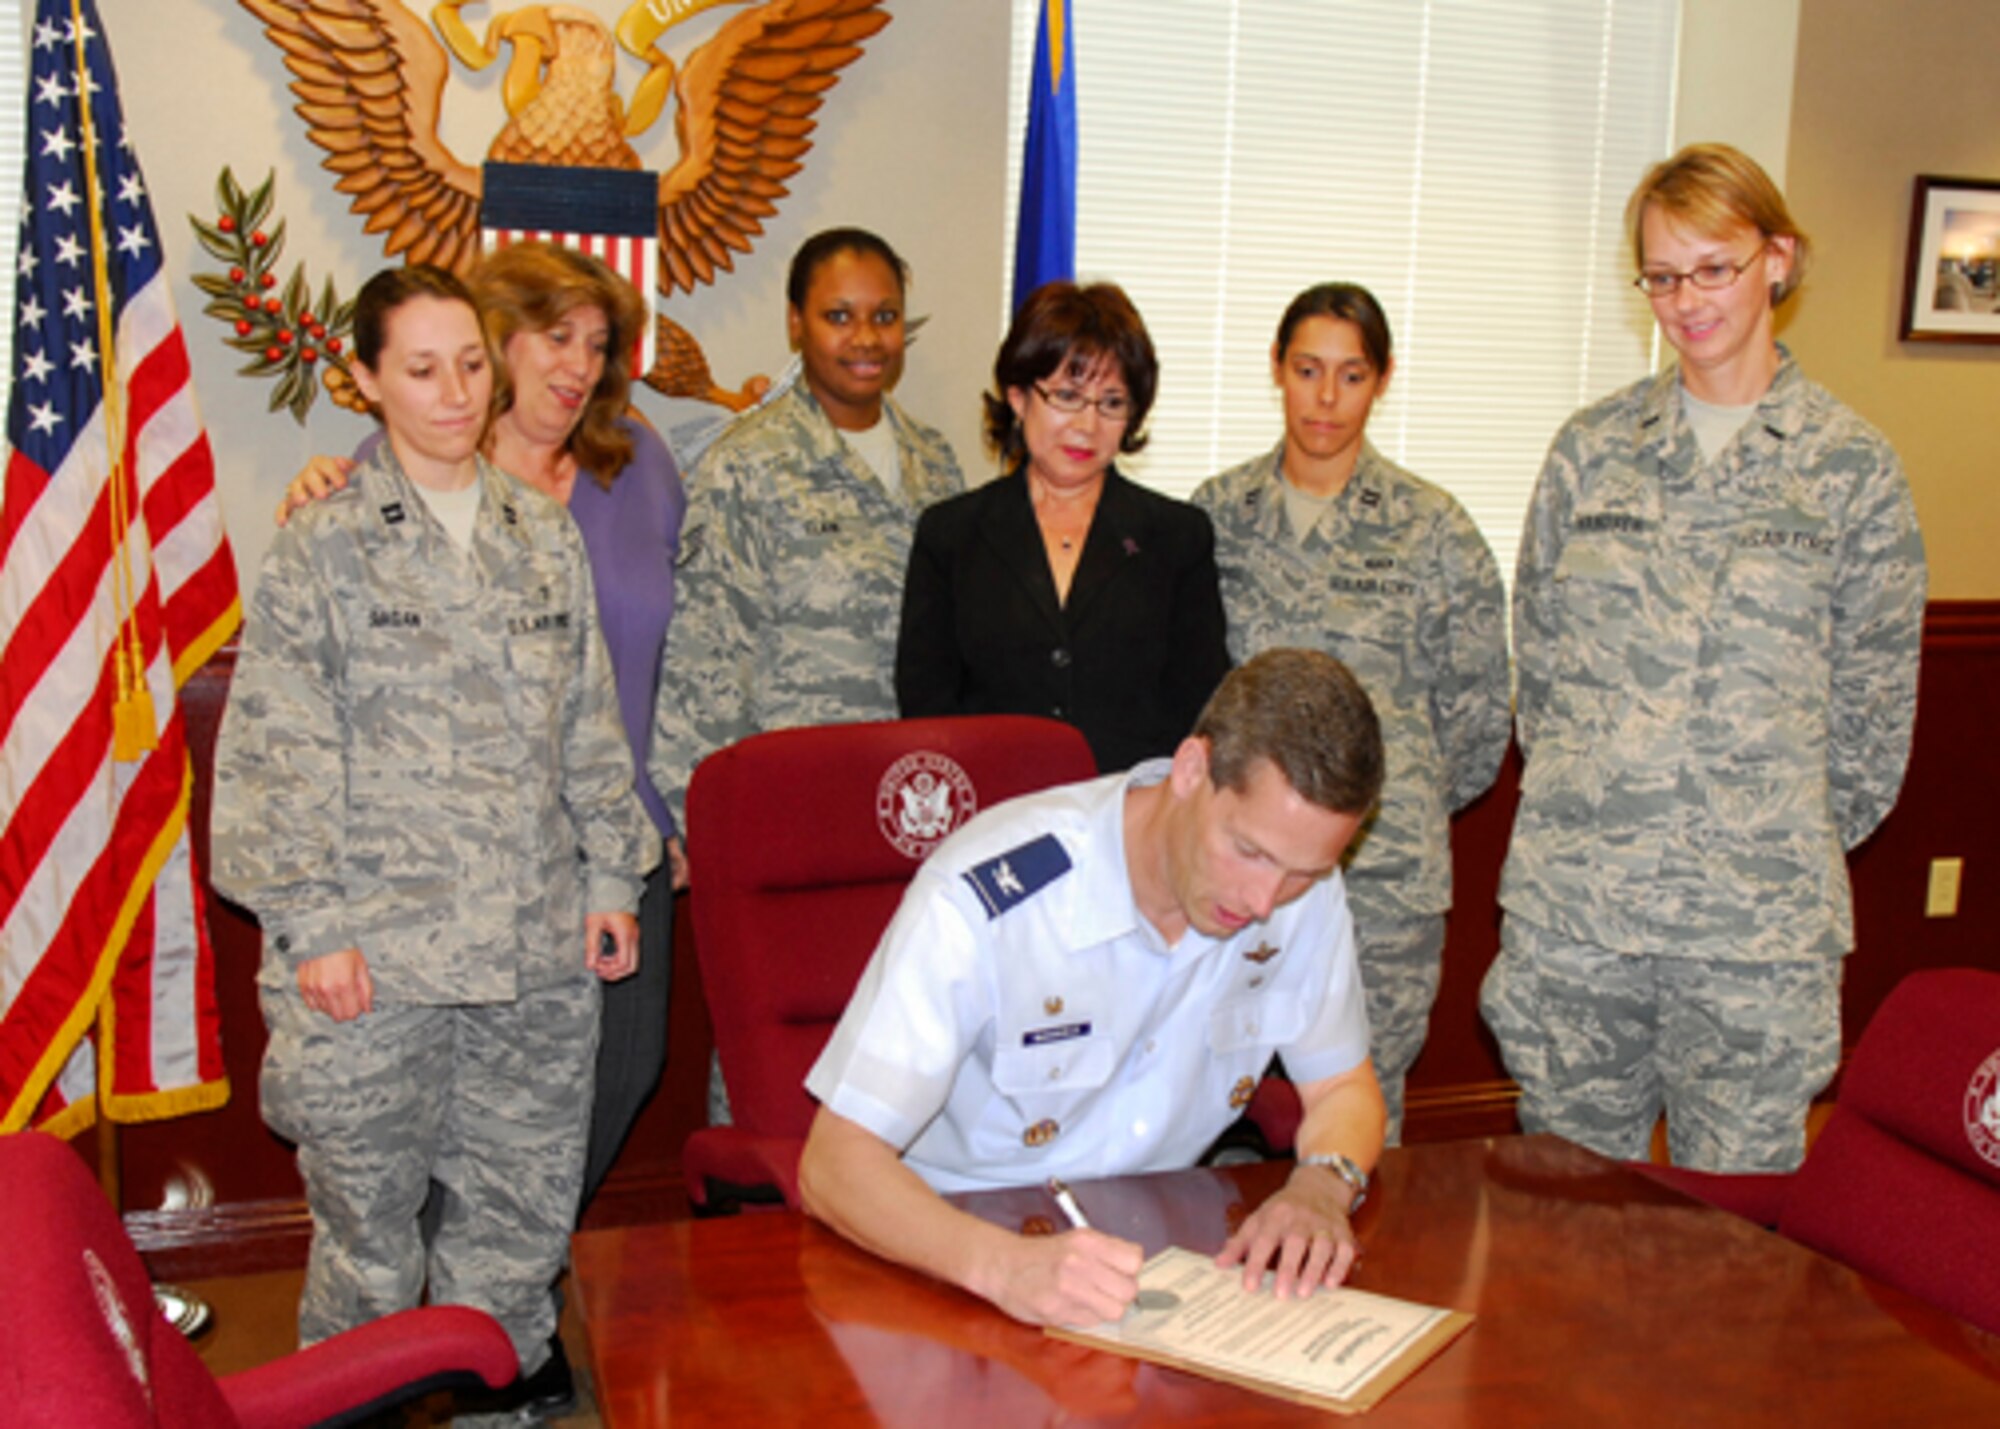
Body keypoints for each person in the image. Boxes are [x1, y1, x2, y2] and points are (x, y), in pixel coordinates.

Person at [212, 267, 655, 1400]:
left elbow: (587, 727)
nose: (453, 392)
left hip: (531, 955)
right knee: (367, 1240)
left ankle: (493, 1406)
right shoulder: (325, 546)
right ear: (365, 381)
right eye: (419, 368)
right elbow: (280, 752)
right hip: (377, 965)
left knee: (513, 1231)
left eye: (469, 362)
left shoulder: (542, 538)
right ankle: (351, 1407)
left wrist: (612, 876)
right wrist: (312, 928)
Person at [1486, 142, 1927, 1173]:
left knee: (1732, 1254)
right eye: (1659, 275)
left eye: (1712, 268)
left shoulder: (1848, 470)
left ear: (1775, 258)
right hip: (1577, 922)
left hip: (1753, 942)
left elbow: (1870, 722)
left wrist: (1757, 844)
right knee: (1561, 1224)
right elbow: (1538, 677)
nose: (1684, 301)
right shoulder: (1587, 452)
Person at [277, 243, 686, 1235]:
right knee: (457, 1100)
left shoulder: (635, 462)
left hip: (604, 846)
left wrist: (671, 808)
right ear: (491, 343)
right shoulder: (384, 473)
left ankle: (507, 1278)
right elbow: (312, 693)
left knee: (618, 1074)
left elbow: (688, 643)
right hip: (439, 864)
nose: (578, 364)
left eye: (596, 343)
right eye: (555, 337)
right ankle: (465, 1320)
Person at [799, 648, 1389, 1328]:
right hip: (952, 1267)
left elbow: (1343, 1086)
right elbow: (833, 1163)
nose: (1264, 900)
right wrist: (1000, 1266)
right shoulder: (991, 897)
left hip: (1161, 1273)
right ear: (1191, 770)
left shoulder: (1301, 893)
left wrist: (1322, 1183)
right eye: (1249, 851)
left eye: (1302, 872)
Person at [1192, 283, 1509, 1143]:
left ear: (1383, 380)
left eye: (1351, 374)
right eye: (1307, 370)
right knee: (1217, 1093)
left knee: (1366, 1099)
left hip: (1382, 876)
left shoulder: (1434, 529)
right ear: (1277, 371)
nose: (1326, 398)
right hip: (1235, 870)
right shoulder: (1213, 518)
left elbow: (1477, 726)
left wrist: (1389, 808)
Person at [650, 227, 966, 835]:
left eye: (886, 315)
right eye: (838, 316)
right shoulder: (748, 463)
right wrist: (710, 826)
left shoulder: (935, 460)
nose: (866, 338)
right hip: (794, 805)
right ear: (796, 323)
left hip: (918, 805)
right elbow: (704, 663)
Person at [897, 280, 1232, 772]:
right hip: (993, 817)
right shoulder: (951, 535)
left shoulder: (1178, 537)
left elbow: (1199, 706)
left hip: (1130, 818)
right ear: (1018, 396)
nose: (1086, 425)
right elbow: (926, 707)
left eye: (1112, 403)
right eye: (1067, 395)